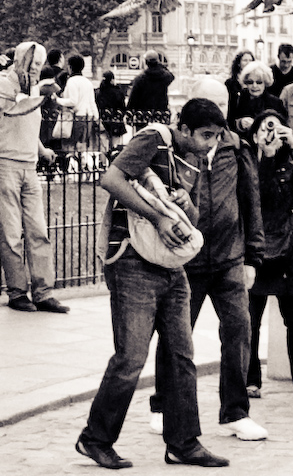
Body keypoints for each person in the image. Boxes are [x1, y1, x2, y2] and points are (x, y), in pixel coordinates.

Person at [76, 99, 230, 470]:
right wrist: (157, 218)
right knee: (131, 357)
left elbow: (191, 214)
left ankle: (183, 443)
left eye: (216, 137)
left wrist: (183, 206)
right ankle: (95, 439)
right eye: (205, 135)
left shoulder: (194, 158)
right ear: (184, 127)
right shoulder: (153, 139)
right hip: (132, 259)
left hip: (170, 265)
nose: (210, 143)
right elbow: (110, 179)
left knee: (181, 354)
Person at [151, 83, 267, 442]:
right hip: (188, 258)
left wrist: (253, 255)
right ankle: (163, 406)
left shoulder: (236, 146)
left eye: (223, 103)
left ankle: (235, 410)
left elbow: (251, 201)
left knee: (239, 329)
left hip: (230, 256)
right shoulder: (179, 148)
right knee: (174, 337)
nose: (218, 111)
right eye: (211, 104)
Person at [246, 109, 293, 396]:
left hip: (289, 247)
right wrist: (265, 157)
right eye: (265, 130)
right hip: (258, 248)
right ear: (254, 136)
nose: (271, 136)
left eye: (276, 129)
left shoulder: (291, 160)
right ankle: (251, 380)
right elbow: (258, 195)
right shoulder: (249, 162)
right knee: (251, 321)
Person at [0, 41, 69, 314]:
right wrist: (38, 92)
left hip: (29, 165)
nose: (37, 70)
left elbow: (27, 121)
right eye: (34, 65)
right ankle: (17, 292)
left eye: (40, 66)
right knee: (10, 233)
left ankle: (43, 292)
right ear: (20, 61)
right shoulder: (4, 85)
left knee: (38, 231)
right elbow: (15, 111)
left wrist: (41, 149)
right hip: (5, 164)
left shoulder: (32, 88)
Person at [232, 60, 287, 139]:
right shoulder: (238, 100)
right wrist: (240, 124)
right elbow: (228, 124)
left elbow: (283, 128)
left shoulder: (276, 103)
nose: (254, 86)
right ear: (246, 83)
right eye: (250, 82)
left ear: (265, 82)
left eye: (259, 82)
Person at [126, 50, 174, 131]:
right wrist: (160, 65)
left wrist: (129, 112)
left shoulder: (140, 78)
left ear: (146, 62)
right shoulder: (165, 76)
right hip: (160, 113)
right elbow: (171, 76)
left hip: (143, 115)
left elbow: (133, 97)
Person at [64, 54, 100, 149]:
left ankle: (72, 163)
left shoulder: (71, 81)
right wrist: (96, 117)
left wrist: (58, 100)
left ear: (70, 67)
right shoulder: (87, 82)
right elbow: (92, 102)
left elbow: (73, 101)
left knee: (70, 145)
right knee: (83, 146)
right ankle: (82, 163)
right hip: (88, 117)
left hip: (76, 117)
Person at [95, 71, 127, 150]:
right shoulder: (118, 92)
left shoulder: (98, 92)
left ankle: (102, 162)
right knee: (115, 145)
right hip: (116, 121)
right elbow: (123, 108)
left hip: (102, 121)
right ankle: (113, 160)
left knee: (103, 146)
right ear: (112, 80)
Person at [225, 50, 255, 129]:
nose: (248, 63)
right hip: (234, 123)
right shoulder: (230, 83)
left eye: (251, 60)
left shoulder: (257, 83)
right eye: (245, 60)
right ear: (238, 63)